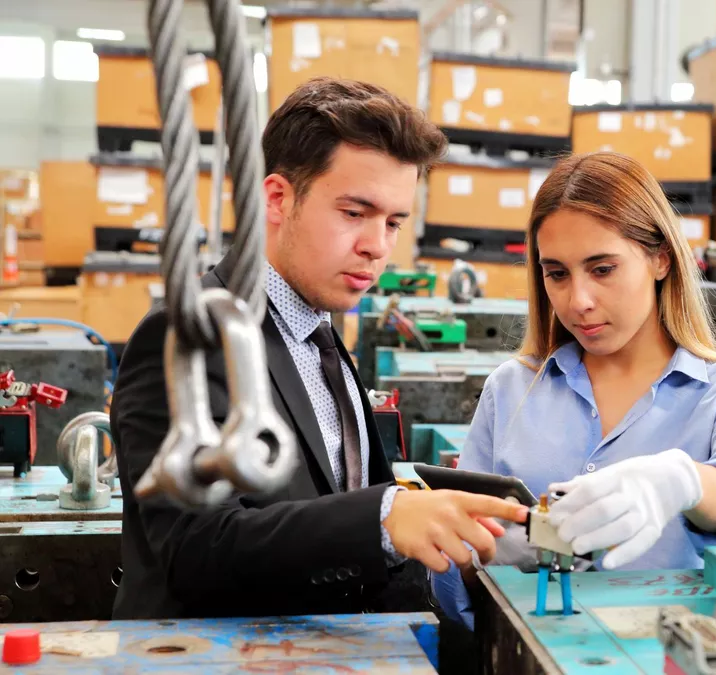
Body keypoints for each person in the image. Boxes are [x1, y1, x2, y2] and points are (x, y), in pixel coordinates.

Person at [110, 77, 527, 620]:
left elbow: (327, 497)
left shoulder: (320, 335)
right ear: (278, 198)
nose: (377, 246)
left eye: (393, 222)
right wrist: (382, 517)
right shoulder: (188, 334)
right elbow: (193, 549)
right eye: (355, 213)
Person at [430, 152, 716, 630]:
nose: (578, 301)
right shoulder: (512, 389)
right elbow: (458, 587)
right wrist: (466, 550)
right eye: (557, 274)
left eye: (602, 269)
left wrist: (679, 481)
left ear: (660, 258)